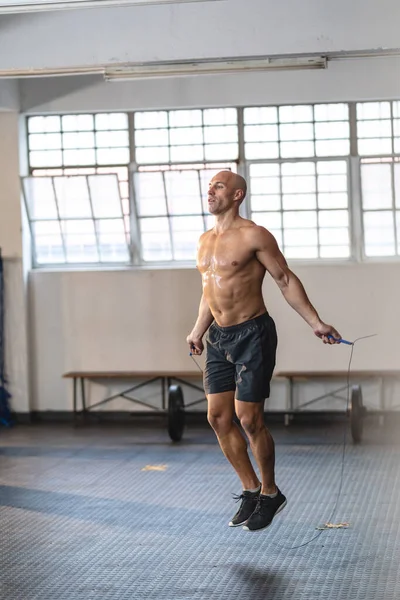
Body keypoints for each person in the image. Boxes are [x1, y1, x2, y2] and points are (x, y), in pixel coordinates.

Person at [186, 170, 342, 532]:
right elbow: (211, 292)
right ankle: (251, 489)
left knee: (248, 418)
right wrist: (198, 329)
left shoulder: (254, 235)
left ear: (238, 195)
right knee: (217, 418)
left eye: (219, 186)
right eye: (209, 187)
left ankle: (271, 493)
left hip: (252, 333)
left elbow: (284, 279)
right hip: (218, 338)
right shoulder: (204, 240)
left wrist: (316, 322)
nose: (210, 192)